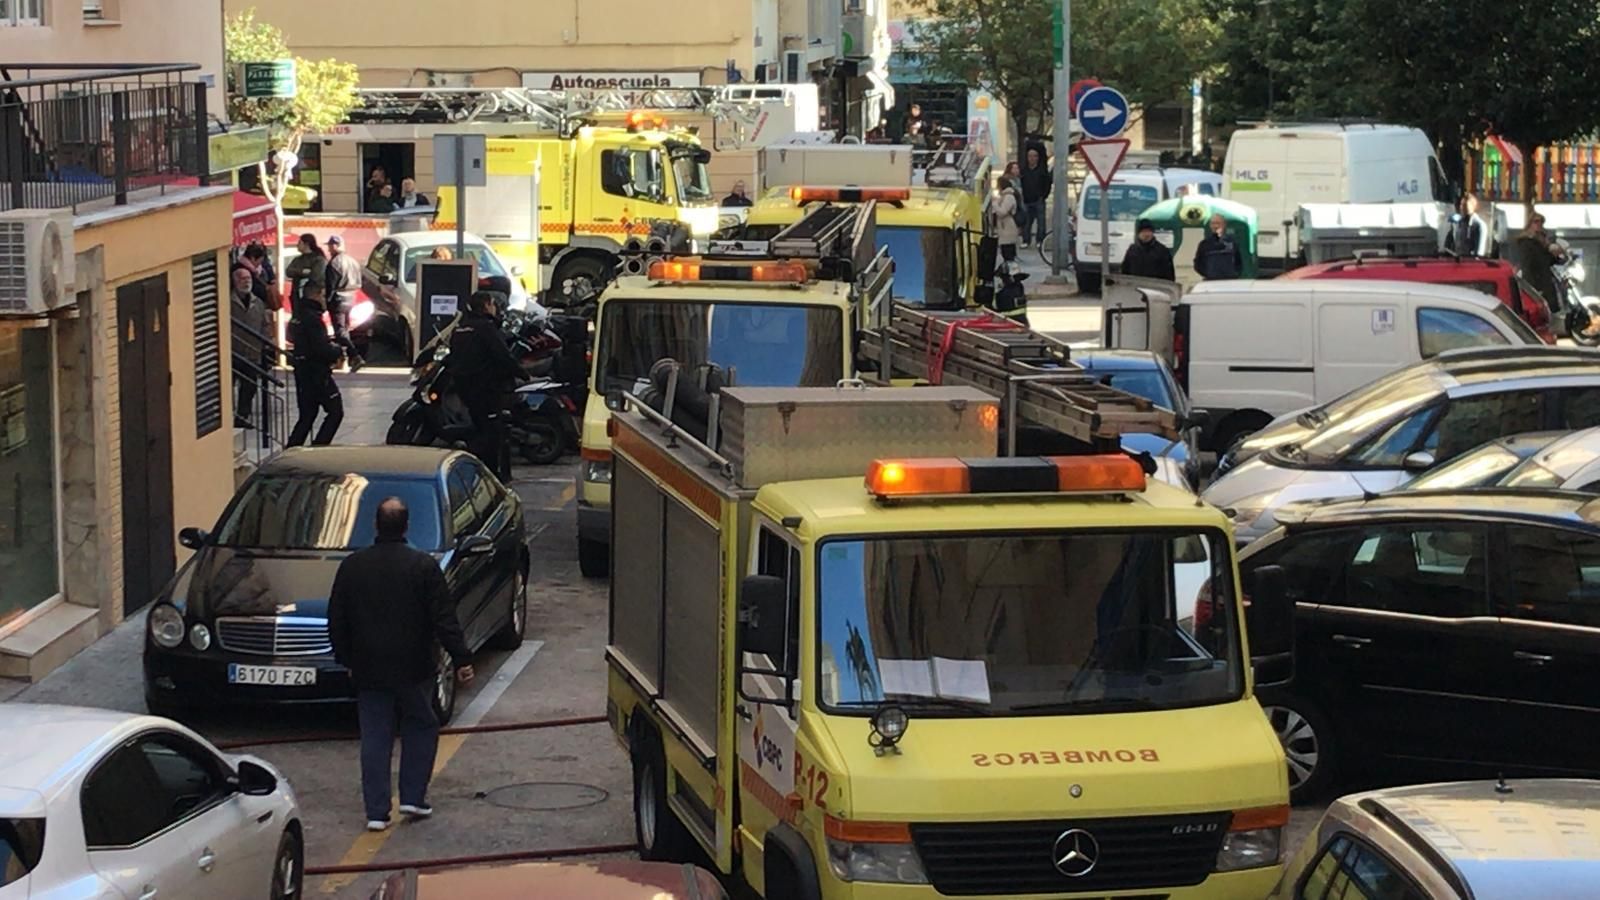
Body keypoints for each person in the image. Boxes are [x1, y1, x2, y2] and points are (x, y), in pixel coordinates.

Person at [328, 497, 474, 833]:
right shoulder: (422, 566)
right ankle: (412, 796)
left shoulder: (353, 566)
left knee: (375, 737)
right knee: (421, 725)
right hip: (415, 667)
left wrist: (346, 658)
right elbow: (443, 619)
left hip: (368, 669)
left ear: (375, 526)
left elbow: (337, 619)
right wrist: (462, 658)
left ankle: (376, 811)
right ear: (406, 527)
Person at [448, 291, 524, 480]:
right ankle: (489, 472)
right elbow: (503, 356)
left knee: (481, 426)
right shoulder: (486, 328)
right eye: (492, 304)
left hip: (465, 390)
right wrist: (522, 374)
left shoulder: (460, 328)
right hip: (486, 389)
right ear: (487, 306)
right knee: (491, 432)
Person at [286, 282, 344, 446]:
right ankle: (320, 446)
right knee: (335, 411)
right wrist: (337, 351)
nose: (326, 300)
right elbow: (321, 348)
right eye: (323, 295)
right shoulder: (313, 319)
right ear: (316, 295)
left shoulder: (298, 315)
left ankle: (292, 448)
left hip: (303, 371)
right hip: (317, 373)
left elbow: (291, 337)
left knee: (307, 415)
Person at [230, 267, 271, 428]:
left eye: (248, 279)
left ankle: (242, 416)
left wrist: (266, 343)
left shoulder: (257, 302)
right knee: (228, 387)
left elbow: (264, 325)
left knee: (249, 387)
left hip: (253, 353)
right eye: (242, 279)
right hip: (233, 352)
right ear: (234, 281)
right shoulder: (228, 301)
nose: (246, 282)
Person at [324, 235, 366, 371]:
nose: (329, 249)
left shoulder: (334, 263)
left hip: (338, 299)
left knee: (340, 331)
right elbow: (359, 281)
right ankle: (343, 360)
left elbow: (330, 285)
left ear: (336, 246)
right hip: (351, 297)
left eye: (330, 245)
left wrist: (326, 302)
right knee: (345, 330)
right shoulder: (353, 261)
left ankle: (355, 355)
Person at [1517, 213, 1565, 313]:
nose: (1539, 224)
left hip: (1546, 281)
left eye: (1541, 222)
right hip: (1538, 284)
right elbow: (1527, 266)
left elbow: (1547, 261)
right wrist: (1533, 289)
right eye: (1536, 221)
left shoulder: (1542, 241)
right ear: (1529, 224)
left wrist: (1556, 255)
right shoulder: (1526, 243)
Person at [1018, 145, 1052, 249]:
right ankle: (1026, 240)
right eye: (1030, 156)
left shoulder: (1042, 171)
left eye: (1034, 156)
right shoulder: (1023, 171)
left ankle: (1040, 240)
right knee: (1027, 222)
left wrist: (1043, 195)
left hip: (1039, 200)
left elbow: (1048, 184)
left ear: (1037, 158)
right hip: (1027, 200)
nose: (1032, 158)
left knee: (1041, 222)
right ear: (1027, 157)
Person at [1194, 214, 1243, 280]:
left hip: (1230, 282)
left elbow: (1239, 262)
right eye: (1213, 223)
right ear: (1210, 226)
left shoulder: (1232, 243)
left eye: (1218, 223)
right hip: (1211, 282)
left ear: (1224, 225)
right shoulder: (1204, 244)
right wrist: (1208, 274)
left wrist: (1234, 274)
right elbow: (1198, 264)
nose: (1216, 226)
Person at [285, 233, 328, 305]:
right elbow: (288, 271)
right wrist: (302, 271)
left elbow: (316, 276)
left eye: (300, 243)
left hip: (313, 297)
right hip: (297, 296)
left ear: (306, 244)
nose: (297, 245)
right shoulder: (298, 259)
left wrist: (303, 274)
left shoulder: (318, 259)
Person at [1444, 191, 1491, 257]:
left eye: (1465, 205)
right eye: (1461, 204)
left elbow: (1479, 253)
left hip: (1470, 263)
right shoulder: (1457, 222)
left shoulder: (1479, 225)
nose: (1461, 208)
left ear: (1472, 206)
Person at [991, 176, 1022, 262]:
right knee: (1006, 251)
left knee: (1008, 252)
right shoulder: (1004, 196)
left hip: (1008, 227)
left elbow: (1002, 212)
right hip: (1005, 227)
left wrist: (995, 204)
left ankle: (1012, 271)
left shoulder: (1008, 197)